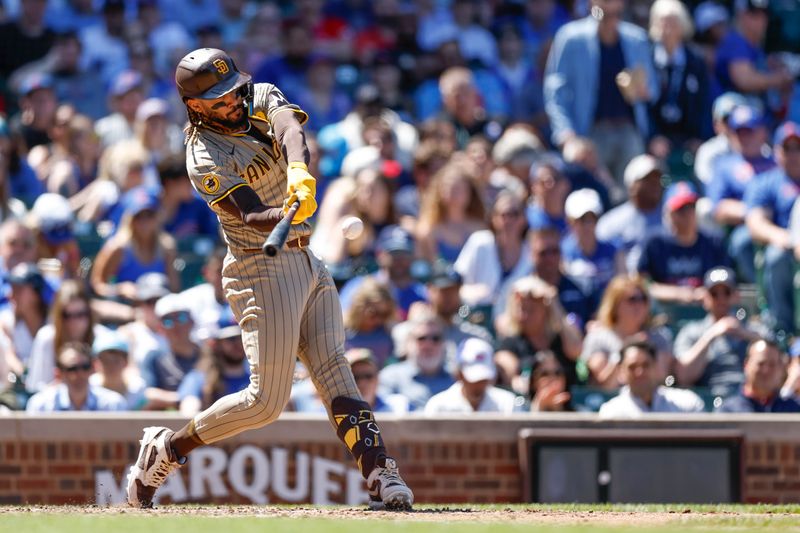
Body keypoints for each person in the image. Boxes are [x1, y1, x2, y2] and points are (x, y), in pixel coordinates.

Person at [126, 48, 413, 511]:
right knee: (265, 402)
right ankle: (167, 449)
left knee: (334, 370)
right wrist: (285, 209)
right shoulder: (202, 155)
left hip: (306, 259)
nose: (233, 100)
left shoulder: (255, 94)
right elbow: (251, 213)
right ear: (195, 106)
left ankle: (380, 471)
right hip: (259, 267)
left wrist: (299, 170)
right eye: (219, 98)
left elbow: (289, 128)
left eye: (232, 89)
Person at [544, 0, 659, 183]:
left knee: (630, 199)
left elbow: (653, 89)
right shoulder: (570, 37)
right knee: (593, 200)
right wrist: (567, 136)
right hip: (589, 136)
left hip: (629, 133)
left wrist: (641, 89)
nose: (609, 4)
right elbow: (555, 93)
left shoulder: (637, 39)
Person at [674, 266, 767, 399]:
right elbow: (683, 376)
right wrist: (710, 336)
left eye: (726, 292)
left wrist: (744, 333)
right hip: (708, 401)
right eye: (714, 293)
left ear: (736, 295)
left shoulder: (754, 329)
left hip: (751, 400)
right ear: (705, 297)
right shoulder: (691, 331)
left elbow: (776, 363)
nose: (721, 299)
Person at [635, 181, 731, 305]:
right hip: (664, 311)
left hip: (706, 309)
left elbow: (726, 285)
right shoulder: (654, 243)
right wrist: (678, 294)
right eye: (681, 210)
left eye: (692, 207)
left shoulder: (713, 242)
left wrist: (705, 293)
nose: (688, 214)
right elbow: (642, 284)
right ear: (668, 213)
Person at [745, 121, 800, 332]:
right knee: (775, 256)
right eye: (788, 148)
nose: (794, 154)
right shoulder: (766, 182)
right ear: (777, 151)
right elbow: (755, 222)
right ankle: (784, 328)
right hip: (785, 247)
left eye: (798, 147)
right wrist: (788, 239)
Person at [581, 275, 674, 389]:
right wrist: (627, 349)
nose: (639, 305)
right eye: (632, 299)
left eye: (643, 299)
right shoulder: (598, 337)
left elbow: (662, 379)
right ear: (615, 305)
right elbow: (604, 385)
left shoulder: (659, 337)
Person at [494, 275, 583, 393]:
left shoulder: (560, 339)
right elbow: (509, 372)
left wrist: (554, 304)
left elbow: (576, 350)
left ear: (545, 310)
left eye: (531, 309)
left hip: (566, 407)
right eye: (521, 308)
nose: (524, 315)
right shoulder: (511, 342)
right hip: (531, 408)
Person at [598, 336, 705, 418]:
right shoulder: (610, 412)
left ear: (655, 366)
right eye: (632, 367)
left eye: (646, 365)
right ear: (621, 371)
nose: (640, 372)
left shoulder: (687, 403)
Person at [424, 338, 523, 415]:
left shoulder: (507, 403)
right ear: (459, 374)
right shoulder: (438, 406)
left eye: (484, 378)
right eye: (474, 379)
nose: (479, 384)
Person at [379, 312, 455, 411]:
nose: (428, 345)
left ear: (444, 344)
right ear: (408, 343)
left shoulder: (456, 379)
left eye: (436, 338)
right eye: (421, 338)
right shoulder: (390, 377)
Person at [178, 314, 250, 418]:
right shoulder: (199, 378)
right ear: (216, 344)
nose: (238, 344)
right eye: (231, 339)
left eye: (241, 338)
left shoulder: (256, 381)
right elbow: (188, 411)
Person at [139, 294, 201, 410]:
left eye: (181, 317)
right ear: (159, 328)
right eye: (168, 320)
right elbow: (146, 394)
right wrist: (184, 398)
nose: (176, 325)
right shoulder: (155, 357)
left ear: (192, 321)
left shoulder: (209, 354)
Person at [25, 342, 127, 413]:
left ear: (93, 368)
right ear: (59, 374)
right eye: (72, 369)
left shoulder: (114, 404)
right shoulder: (41, 405)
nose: (80, 374)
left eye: (85, 367)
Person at [561, 188, 623, 299]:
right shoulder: (562, 252)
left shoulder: (614, 250)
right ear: (569, 221)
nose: (587, 226)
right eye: (581, 220)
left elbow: (622, 284)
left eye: (592, 218)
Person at [716, 338, 800, 413]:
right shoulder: (729, 411)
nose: (766, 370)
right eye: (761, 364)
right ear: (746, 365)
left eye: (772, 364)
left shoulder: (793, 409)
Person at [90, 331, 146, 411]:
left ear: (126, 362)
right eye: (105, 361)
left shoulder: (138, 388)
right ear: (95, 364)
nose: (111, 366)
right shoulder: (90, 387)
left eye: (116, 361)